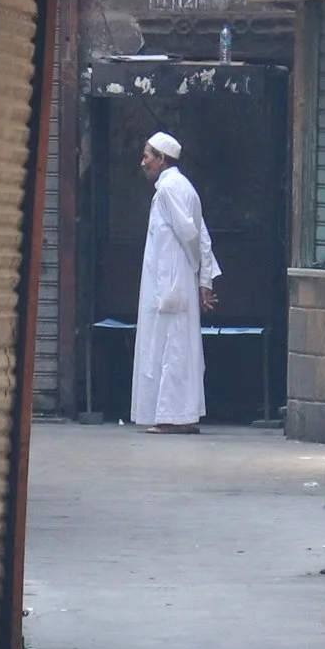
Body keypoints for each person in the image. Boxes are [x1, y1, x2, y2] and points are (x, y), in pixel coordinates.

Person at [129, 130, 219, 431]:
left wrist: (196, 271)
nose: (143, 162)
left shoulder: (170, 189)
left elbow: (191, 234)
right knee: (173, 345)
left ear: (161, 159)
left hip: (171, 282)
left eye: (147, 156)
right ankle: (174, 416)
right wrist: (204, 279)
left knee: (171, 346)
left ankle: (172, 417)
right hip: (173, 280)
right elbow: (201, 235)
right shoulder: (180, 187)